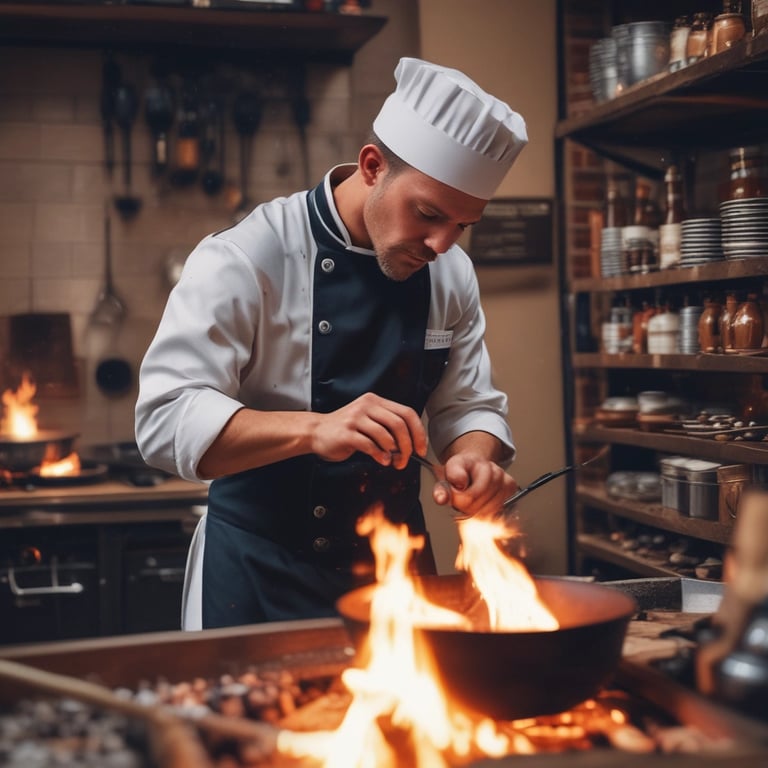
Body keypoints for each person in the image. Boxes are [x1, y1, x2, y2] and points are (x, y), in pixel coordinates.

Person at [135, 57, 528, 630]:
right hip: (258, 577)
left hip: (395, 579)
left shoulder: (450, 273)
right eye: (428, 214)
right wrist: (315, 429)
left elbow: (468, 404)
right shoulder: (247, 257)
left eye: (463, 226)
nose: (442, 244)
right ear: (372, 166)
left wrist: (473, 457)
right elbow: (164, 419)